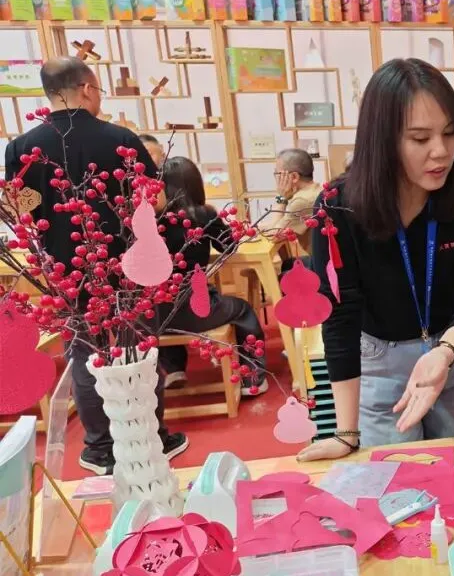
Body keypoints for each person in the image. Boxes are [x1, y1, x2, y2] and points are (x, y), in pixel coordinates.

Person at [300, 58, 454, 461]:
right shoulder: (339, 207)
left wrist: (444, 353)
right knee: (394, 478)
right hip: (380, 361)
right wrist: (346, 433)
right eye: (420, 138)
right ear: (383, 140)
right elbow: (340, 315)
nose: (440, 151)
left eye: (450, 133)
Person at [4, 56, 187, 475]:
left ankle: (100, 448)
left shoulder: (21, 148)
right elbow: (155, 201)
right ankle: (150, 438)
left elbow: (20, 212)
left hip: (63, 271)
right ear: (87, 88)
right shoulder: (119, 138)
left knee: (84, 355)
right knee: (137, 350)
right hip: (126, 265)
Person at [154, 156, 268, 394]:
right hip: (195, 310)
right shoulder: (202, 216)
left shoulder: (150, 219)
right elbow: (229, 246)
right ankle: (253, 378)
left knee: (164, 301)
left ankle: (174, 369)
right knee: (243, 310)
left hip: (150, 315)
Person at [264, 148, 321, 271]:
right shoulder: (315, 189)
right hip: (324, 260)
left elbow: (273, 235)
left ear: (294, 176)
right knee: (287, 264)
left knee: (284, 271)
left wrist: (281, 198)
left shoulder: (302, 201)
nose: (277, 179)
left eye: (277, 174)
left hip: (322, 266)